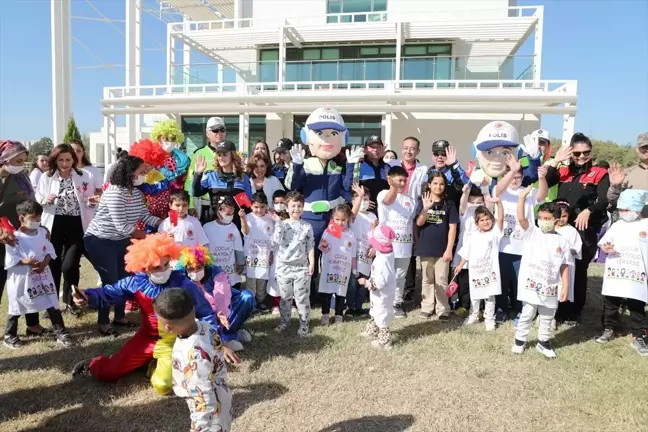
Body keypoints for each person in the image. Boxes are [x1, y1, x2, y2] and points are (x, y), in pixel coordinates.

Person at [71, 234, 239, 394]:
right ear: (145, 268)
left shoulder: (184, 284)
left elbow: (206, 314)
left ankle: (151, 366)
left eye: (166, 265)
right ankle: (93, 364)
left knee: (163, 385)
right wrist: (88, 296)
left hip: (174, 343)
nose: (163, 270)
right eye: (156, 267)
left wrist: (218, 343)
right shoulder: (136, 282)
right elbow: (109, 293)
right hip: (145, 340)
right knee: (110, 372)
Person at [84, 155, 161, 336]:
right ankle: (103, 322)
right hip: (100, 240)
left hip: (121, 240)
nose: (144, 174)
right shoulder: (114, 192)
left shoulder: (135, 193)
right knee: (110, 280)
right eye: (141, 171)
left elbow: (145, 216)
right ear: (129, 172)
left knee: (125, 279)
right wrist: (149, 235)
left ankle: (119, 316)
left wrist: (164, 224)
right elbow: (123, 227)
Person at [286, 107, 353, 305]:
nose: (326, 139)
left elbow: (347, 191)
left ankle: (329, 297)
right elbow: (293, 187)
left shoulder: (336, 166)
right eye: (320, 134)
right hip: (309, 221)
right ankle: (305, 296)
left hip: (331, 221)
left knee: (333, 259)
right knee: (307, 260)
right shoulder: (305, 164)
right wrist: (297, 165)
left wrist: (350, 166)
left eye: (332, 134)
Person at [545, 132, 610, 325]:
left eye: (586, 153)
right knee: (558, 266)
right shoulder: (564, 172)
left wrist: (589, 210)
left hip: (584, 229)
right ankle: (557, 308)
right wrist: (556, 161)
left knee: (579, 269)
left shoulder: (599, 173)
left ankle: (574, 311)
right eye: (577, 153)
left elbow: (604, 199)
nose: (582, 157)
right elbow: (547, 181)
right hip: (562, 227)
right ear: (571, 153)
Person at [153, 288, 233, 431]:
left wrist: (199, 428)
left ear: (169, 328)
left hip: (212, 409)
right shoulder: (206, 327)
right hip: (221, 392)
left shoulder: (195, 357)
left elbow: (204, 399)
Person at [4, 200, 75, 348]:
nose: (37, 221)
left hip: (43, 275)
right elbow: (11, 259)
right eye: (33, 218)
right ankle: (10, 335)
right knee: (18, 304)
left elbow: (49, 251)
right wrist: (26, 261)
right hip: (22, 278)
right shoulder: (14, 237)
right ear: (22, 218)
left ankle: (61, 332)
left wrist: (44, 263)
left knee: (51, 301)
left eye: (39, 218)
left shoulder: (43, 232)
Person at [36, 144, 97, 313]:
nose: (64, 163)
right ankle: (52, 306)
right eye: (61, 159)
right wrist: (46, 199)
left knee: (69, 266)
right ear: (55, 160)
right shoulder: (47, 177)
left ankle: (72, 301)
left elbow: (88, 200)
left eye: (68, 159)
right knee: (53, 266)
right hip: (53, 225)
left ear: (74, 160)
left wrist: (91, 201)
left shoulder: (84, 175)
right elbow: (38, 198)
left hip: (76, 225)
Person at [512, 187, 570, 358]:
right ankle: (520, 341)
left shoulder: (562, 241)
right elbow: (521, 218)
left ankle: (543, 342)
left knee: (547, 315)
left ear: (557, 220)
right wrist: (522, 198)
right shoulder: (533, 233)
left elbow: (564, 265)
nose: (543, 221)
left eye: (547, 219)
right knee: (528, 312)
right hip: (531, 284)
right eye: (540, 218)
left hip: (551, 285)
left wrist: (565, 285)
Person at [493, 157, 548, 325]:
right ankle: (501, 309)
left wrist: (542, 178)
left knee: (520, 281)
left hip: (523, 248)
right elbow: (497, 191)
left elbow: (542, 194)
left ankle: (519, 310)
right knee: (502, 280)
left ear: (523, 177)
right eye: (511, 176)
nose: (515, 180)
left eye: (518, 176)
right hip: (502, 246)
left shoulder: (528, 191)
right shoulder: (501, 190)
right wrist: (512, 170)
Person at [595, 189, 648, 355]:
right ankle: (609, 328)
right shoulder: (618, 225)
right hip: (616, 272)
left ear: (638, 209)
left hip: (637, 274)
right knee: (611, 302)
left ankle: (638, 336)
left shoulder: (645, 224)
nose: (624, 213)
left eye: (628, 209)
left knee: (637, 304)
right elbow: (604, 242)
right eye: (621, 209)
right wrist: (606, 247)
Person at [0, 140, 44, 335]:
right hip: (2, 238)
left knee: (28, 280)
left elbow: (31, 204)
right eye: (17, 160)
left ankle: (32, 324)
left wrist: (37, 228)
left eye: (23, 161)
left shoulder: (22, 178)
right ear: (5, 158)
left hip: (22, 237)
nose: (20, 165)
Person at [177, 245, 255, 352]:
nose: (195, 272)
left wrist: (221, 312)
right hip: (200, 314)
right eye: (191, 269)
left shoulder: (216, 272)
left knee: (247, 297)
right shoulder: (182, 277)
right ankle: (220, 337)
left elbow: (221, 294)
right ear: (185, 267)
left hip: (224, 306)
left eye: (199, 267)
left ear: (205, 264)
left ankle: (229, 334)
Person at [389, 137, 428, 306]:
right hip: (394, 214)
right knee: (391, 251)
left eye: (412, 148)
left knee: (410, 253)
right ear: (401, 148)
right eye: (405, 148)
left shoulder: (423, 170)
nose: (408, 151)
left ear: (418, 151)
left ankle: (408, 291)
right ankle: (388, 287)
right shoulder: (391, 166)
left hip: (413, 214)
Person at [455, 197, 504, 330]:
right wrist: (460, 265)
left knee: (489, 296)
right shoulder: (473, 235)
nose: (485, 222)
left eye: (487, 219)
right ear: (477, 223)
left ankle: (489, 318)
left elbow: (500, 219)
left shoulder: (495, 233)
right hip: (476, 271)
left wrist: (499, 204)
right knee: (475, 295)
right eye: (482, 220)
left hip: (490, 272)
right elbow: (466, 252)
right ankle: (474, 315)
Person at [415, 172, 458, 321]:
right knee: (427, 279)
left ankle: (443, 308)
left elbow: (452, 228)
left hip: (443, 250)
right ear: (429, 185)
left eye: (441, 184)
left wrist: (449, 249)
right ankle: (427, 306)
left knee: (441, 279)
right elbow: (419, 223)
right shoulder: (423, 201)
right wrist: (426, 208)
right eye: (435, 183)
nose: (438, 186)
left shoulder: (449, 204)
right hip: (426, 247)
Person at [271, 191, 315, 336]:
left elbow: (310, 246)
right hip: (284, 267)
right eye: (293, 206)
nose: (296, 209)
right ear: (286, 207)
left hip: (301, 267)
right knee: (285, 297)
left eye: (299, 206)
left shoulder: (307, 226)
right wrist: (277, 225)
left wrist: (312, 263)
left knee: (302, 297)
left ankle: (304, 323)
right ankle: (285, 322)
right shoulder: (282, 225)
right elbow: (274, 243)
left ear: (303, 207)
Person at [128, 133, 190, 232]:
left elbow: (170, 199)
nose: (148, 167)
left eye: (151, 164)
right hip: (135, 224)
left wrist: (173, 223)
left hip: (158, 221)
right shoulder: (129, 179)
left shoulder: (160, 177)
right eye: (145, 164)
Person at [378, 166, 416, 319]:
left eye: (404, 181)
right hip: (388, 245)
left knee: (400, 276)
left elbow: (410, 221)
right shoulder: (383, 194)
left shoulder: (410, 200)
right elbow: (388, 201)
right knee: (385, 274)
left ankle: (396, 303)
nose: (402, 183)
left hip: (405, 246)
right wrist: (393, 186)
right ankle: (383, 302)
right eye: (399, 180)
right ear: (389, 179)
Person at [192, 140, 252, 226]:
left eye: (225, 154)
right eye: (219, 155)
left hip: (235, 226)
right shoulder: (211, 176)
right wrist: (198, 174)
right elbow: (196, 193)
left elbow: (247, 206)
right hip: (213, 224)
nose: (221, 157)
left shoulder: (243, 178)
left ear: (233, 156)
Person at [358, 225, 396, 350]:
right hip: (379, 294)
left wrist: (366, 282)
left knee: (382, 314)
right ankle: (372, 330)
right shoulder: (385, 254)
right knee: (375, 311)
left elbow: (378, 284)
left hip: (382, 294)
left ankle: (385, 340)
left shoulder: (382, 263)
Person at [318, 204, 357, 325]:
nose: (340, 223)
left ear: (348, 219)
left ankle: (339, 314)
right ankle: (325, 314)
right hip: (329, 267)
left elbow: (353, 254)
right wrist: (324, 245)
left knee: (340, 291)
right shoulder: (328, 232)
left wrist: (354, 268)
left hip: (343, 269)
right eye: (337, 220)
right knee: (327, 291)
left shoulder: (351, 234)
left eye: (343, 220)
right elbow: (321, 248)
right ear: (332, 219)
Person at [452, 185, 485, 315]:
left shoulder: (485, 214)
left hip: (480, 254)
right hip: (463, 252)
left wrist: (486, 189)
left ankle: (479, 307)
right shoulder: (465, 213)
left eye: (479, 202)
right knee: (463, 281)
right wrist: (465, 194)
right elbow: (462, 205)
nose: (475, 205)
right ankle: (464, 305)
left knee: (479, 281)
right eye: (472, 202)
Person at [185, 116, 228, 216]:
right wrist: (191, 205)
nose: (219, 133)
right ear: (207, 133)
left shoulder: (231, 153)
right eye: (215, 130)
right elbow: (190, 181)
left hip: (227, 204)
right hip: (205, 205)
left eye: (222, 130)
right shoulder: (199, 153)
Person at [240, 192, 274, 310]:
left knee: (262, 281)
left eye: (262, 207)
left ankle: (261, 301)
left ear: (266, 206)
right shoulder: (248, 217)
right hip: (251, 254)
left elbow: (273, 238)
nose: (259, 210)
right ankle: (251, 303)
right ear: (251, 206)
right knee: (251, 281)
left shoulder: (270, 219)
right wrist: (243, 219)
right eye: (256, 207)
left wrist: (272, 253)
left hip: (265, 255)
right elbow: (246, 232)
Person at [347, 184, 377, 317]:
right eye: (361, 198)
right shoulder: (353, 215)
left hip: (367, 255)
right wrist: (359, 196)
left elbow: (376, 235)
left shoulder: (373, 217)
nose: (364, 201)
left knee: (363, 284)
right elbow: (353, 213)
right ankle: (349, 307)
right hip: (353, 256)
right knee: (352, 283)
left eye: (366, 199)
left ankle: (358, 307)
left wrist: (374, 247)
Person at [203, 196, 245, 288]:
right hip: (213, 266)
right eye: (227, 214)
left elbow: (238, 247)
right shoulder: (207, 227)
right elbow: (203, 247)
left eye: (231, 214)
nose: (229, 217)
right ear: (218, 212)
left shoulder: (233, 227)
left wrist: (240, 263)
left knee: (230, 289)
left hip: (230, 267)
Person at [554, 199, 582, 325]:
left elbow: (577, 249)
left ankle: (563, 314)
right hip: (552, 265)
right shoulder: (550, 229)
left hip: (567, 265)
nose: (561, 219)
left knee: (564, 289)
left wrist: (568, 250)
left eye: (564, 216)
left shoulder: (572, 231)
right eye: (558, 216)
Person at [344, 136, 390, 213]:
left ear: (382, 149)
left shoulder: (387, 167)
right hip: (361, 211)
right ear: (365, 149)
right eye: (372, 147)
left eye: (378, 147)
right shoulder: (357, 165)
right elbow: (347, 187)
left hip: (383, 212)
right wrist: (361, 201)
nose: (375, 150)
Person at [607, 133, 648, 215]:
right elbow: (613, 201)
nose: (647, 150)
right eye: (644, 147)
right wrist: (615, 186)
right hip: (633, 225)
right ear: (637, 149)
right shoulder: (626, 174)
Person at [425, 140, 469, 207]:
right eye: (436, 153)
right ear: (432, 156)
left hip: (451, 213)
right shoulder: (427, 173)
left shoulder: (454, 172)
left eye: (443, 154)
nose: (440, 157)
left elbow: (467, 185)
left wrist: (454, 165)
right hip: (431, 214)